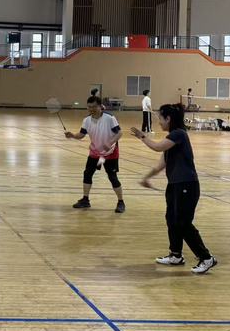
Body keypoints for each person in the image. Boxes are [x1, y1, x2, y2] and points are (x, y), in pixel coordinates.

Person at [131, 103, 217, 274]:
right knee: (171, 219)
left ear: (168, 119)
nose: (159, 122)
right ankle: (176, 255)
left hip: (187, 185)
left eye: (160, 118)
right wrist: (146, 178)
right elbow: (160, 165)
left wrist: (142, 136)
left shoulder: (179, 134)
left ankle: (206, 258)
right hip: (174, 186)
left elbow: (157, 147)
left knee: (183, 223)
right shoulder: (171, 138)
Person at [65, 95, 125, 213]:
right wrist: (72, 135)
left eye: (94, 107)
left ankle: (121, 202)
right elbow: (81, 135)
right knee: (88, 174)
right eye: (89, 107)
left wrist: (110, 142)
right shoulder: (86, 120)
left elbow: (119, 133)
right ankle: (85, 200)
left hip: (109, 154)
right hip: (95, 153)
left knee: (112, 177)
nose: (91, 109)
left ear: (100, 106)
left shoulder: (109, 118)